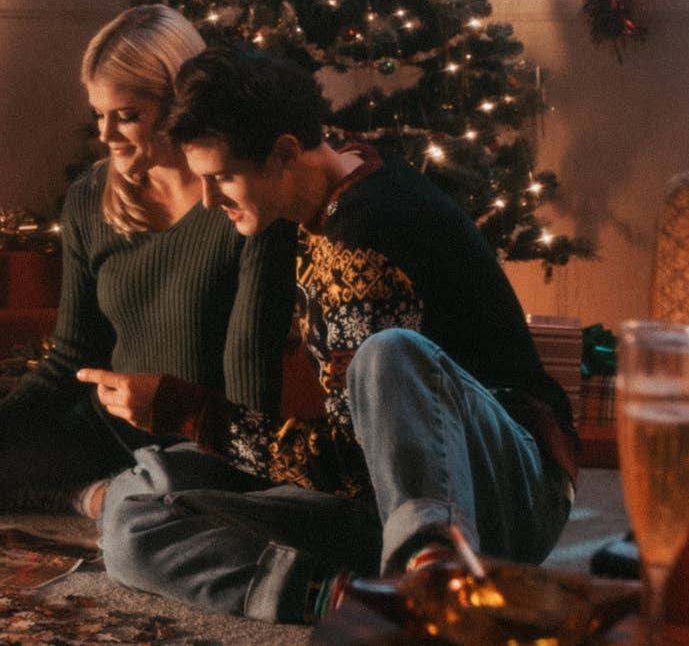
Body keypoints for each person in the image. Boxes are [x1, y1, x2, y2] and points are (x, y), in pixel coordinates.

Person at [77, 44, 578, 625]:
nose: (210, 201)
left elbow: (353, 466)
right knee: (131, 521)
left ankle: (430, 577)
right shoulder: (341, 175)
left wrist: (192, 413)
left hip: (505, 494)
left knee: (387, 354)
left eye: (223, 179)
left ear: (285, 152)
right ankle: (351, 597)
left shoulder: (367, 234)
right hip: (389, 496)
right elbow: (356, 462)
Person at [0, 6, 296, 512]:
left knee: (204, 501)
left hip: (200, 440)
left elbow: (252, 406)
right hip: (104, 429)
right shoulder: (91, 196)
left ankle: (106, 499)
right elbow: (71, 357)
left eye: (127, 116)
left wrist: (180, 416)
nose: (106, 135)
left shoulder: (242, 203)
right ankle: (101, 496)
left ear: (179, 103)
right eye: (99, 115)